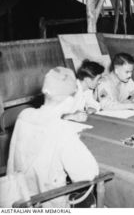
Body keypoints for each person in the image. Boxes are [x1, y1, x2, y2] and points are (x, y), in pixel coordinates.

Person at [6, 67, 99, 207]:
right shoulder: (61, 129)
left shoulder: (24, 115)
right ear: (69, 99)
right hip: (47, 203)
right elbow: (88, 174)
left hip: (18, 195)